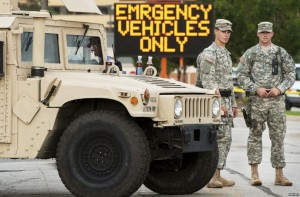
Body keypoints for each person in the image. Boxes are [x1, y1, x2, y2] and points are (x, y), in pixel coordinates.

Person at [237, 21, 295, 186]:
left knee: (278, 137)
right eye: (262, 32)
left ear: (272, 34)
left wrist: (280, 88)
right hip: (257, 101)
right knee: (255, 136)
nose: (264, 35)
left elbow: (291, 73)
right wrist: (256, 89)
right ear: (257, 34)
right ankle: (254, 174)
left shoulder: (280, 52)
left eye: (267, 32)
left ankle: (279, 174)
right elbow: (241, 75)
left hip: (276, 101)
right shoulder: (250, 53)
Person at [196, 19, 238, 188]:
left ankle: (218, 174)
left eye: (228, 32)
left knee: (225, 138)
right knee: (217, 137)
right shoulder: (209, 53)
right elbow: (208, 80)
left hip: (226, 100)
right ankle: (212, 176)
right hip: (215, 102)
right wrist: (218, 104)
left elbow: (228, 82)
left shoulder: (225, 53)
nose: (226, 34)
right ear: (215, 31)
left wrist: (233, 104)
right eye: (223, 31)